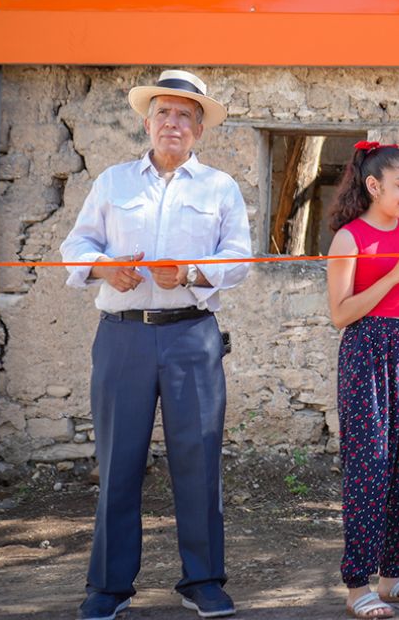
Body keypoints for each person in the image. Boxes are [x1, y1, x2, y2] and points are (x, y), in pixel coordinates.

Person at [60, 70, 252, 620]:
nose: (174, 123)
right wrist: (101, 269)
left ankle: (204, 580)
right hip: (123, 338)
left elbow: (238, 259)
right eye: (164, 113)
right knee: (118, 461)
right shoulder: (114, 182)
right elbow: (77, 244)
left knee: (198, 458)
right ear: (148, 122)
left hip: (193, 335)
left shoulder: (220, 188)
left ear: (198, 129)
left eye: (185, 116)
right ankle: (109, 587)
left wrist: (192, 272)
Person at [324, 142, 399, 618]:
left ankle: (394, 575)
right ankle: (358, 584)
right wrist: (394, 276)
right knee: (370, 465)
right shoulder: (349, 239)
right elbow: (340, 314)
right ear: (373, 186)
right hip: (368, 351)